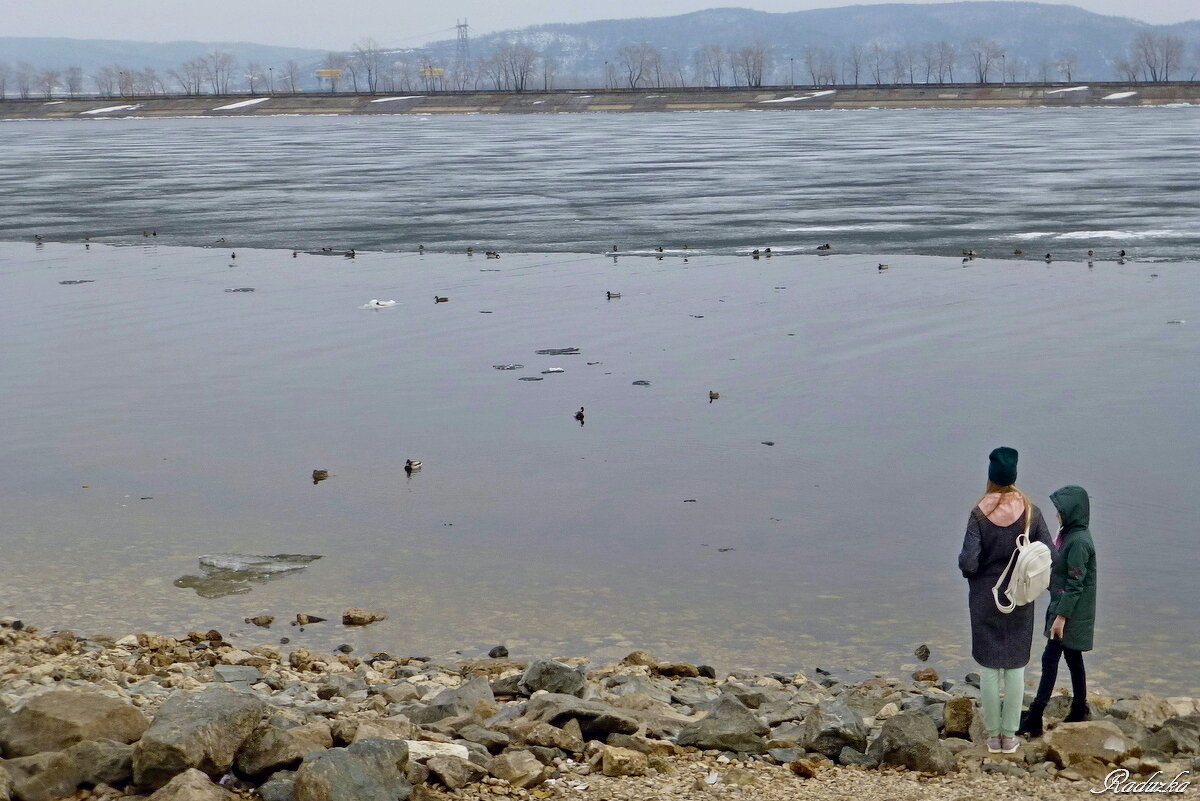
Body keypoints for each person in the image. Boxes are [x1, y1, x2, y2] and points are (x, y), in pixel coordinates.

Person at [959, 447, 1054, 754]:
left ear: (990, 475)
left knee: (988, 667)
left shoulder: (978, 513)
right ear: (1014, 475)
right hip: (1020, 596)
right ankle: (1009, 736)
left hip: (986, 597)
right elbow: (1049, 554)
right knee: (1014, 667)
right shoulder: (1031, 511)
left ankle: (992, 735)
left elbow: (969, 562)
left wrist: (972, 570)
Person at [1018, 485, 1097, 737]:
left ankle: (1036, 714)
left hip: (1069, 611)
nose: (1056, 515)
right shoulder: (1070, 535)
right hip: (1066, 606)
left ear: (1072, 512)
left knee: (1050, 659)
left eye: (1060, 511)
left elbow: (1076, 583)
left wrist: (1061, 617)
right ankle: (1078, 709)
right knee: (1073, 659)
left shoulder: (1079, 542)